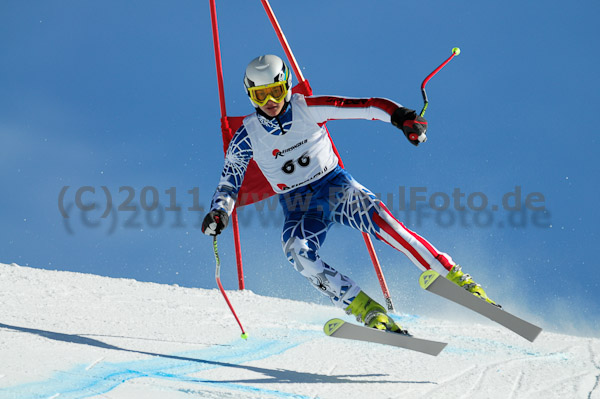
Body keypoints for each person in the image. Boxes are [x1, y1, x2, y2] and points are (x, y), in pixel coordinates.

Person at [202, 54, 496, 335]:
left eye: (277, 91)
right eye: (261, 95)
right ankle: (364, 308)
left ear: (287, 85)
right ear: (250, 95)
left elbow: (367, 106)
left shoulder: (308, 107)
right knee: (296, 252)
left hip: (336, 188)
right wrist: (220, 211)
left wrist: (402, 117)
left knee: (388, 227)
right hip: (299, 205)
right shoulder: (246, 136)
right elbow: (230, 182)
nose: (271, 102)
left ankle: (456, 278)